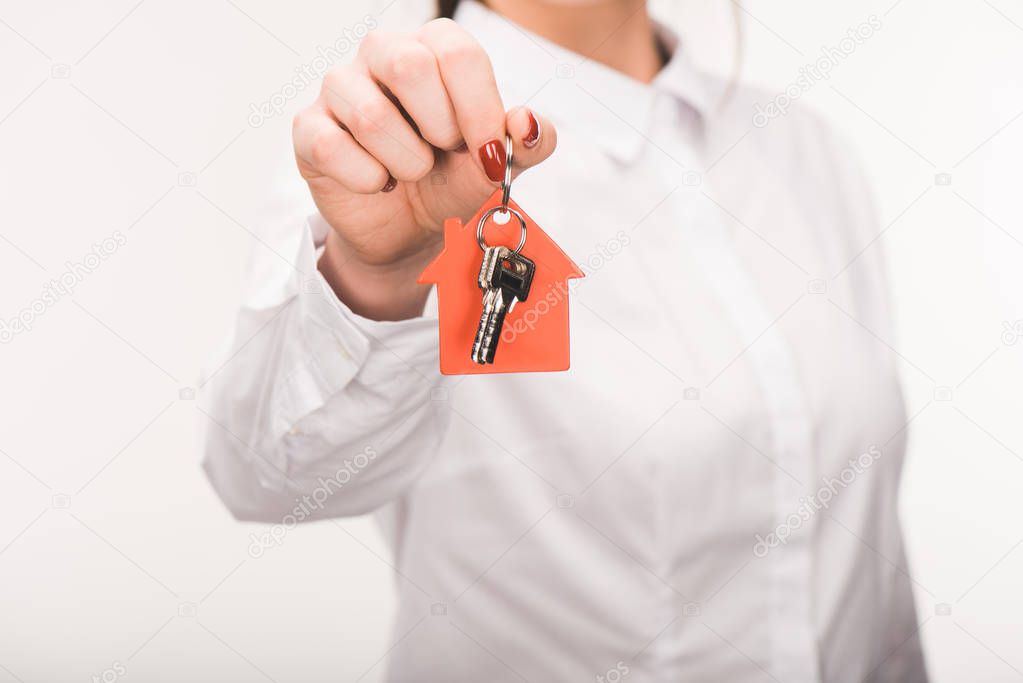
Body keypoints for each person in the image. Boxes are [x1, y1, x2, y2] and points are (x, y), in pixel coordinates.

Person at [200, 0, 928, 680]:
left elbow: (874, 575)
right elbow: (266, 476)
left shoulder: (800, 149)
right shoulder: (379, 158)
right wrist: (377, 274)